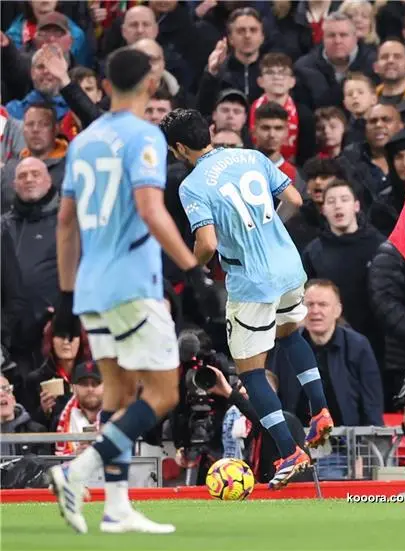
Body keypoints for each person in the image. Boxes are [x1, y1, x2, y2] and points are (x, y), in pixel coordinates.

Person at [48, 47, 219, 535]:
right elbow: (150, 209)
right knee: (162, 394)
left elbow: (65, 223)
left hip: (92, 288)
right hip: (133, 285)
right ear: (150, 86)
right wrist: (197, 272)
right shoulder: (143, 136)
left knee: (119, 395)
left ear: (104, 85)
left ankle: (117, 506)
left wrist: (64, 298)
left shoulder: (83, 141)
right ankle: (76, 472)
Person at [162, 108, 335, 491]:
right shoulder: (253, 156)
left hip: (251, 281)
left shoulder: (191, 186)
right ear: (207, 131)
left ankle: (290, 452)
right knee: (290, 337)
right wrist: (264, 229)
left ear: (178, 148)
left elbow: (206, 242)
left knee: (252, 371)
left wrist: (194, 267)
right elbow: (293, 198)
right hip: (289, 266)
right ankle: (320, 411)